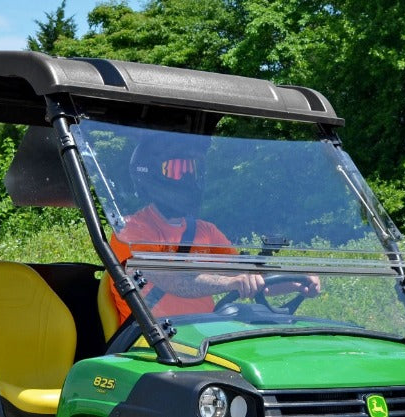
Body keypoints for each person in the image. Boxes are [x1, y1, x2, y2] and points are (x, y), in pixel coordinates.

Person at [107, 134, 320, 325]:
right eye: (176, 170)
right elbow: (171, 280)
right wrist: (231, 282)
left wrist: (296, 282)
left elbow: (248, 277)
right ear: (149, 174)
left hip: (202, 338)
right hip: (147, 341)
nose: (188, 178)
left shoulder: (206, 231)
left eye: (192, 169)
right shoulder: (131, 231)